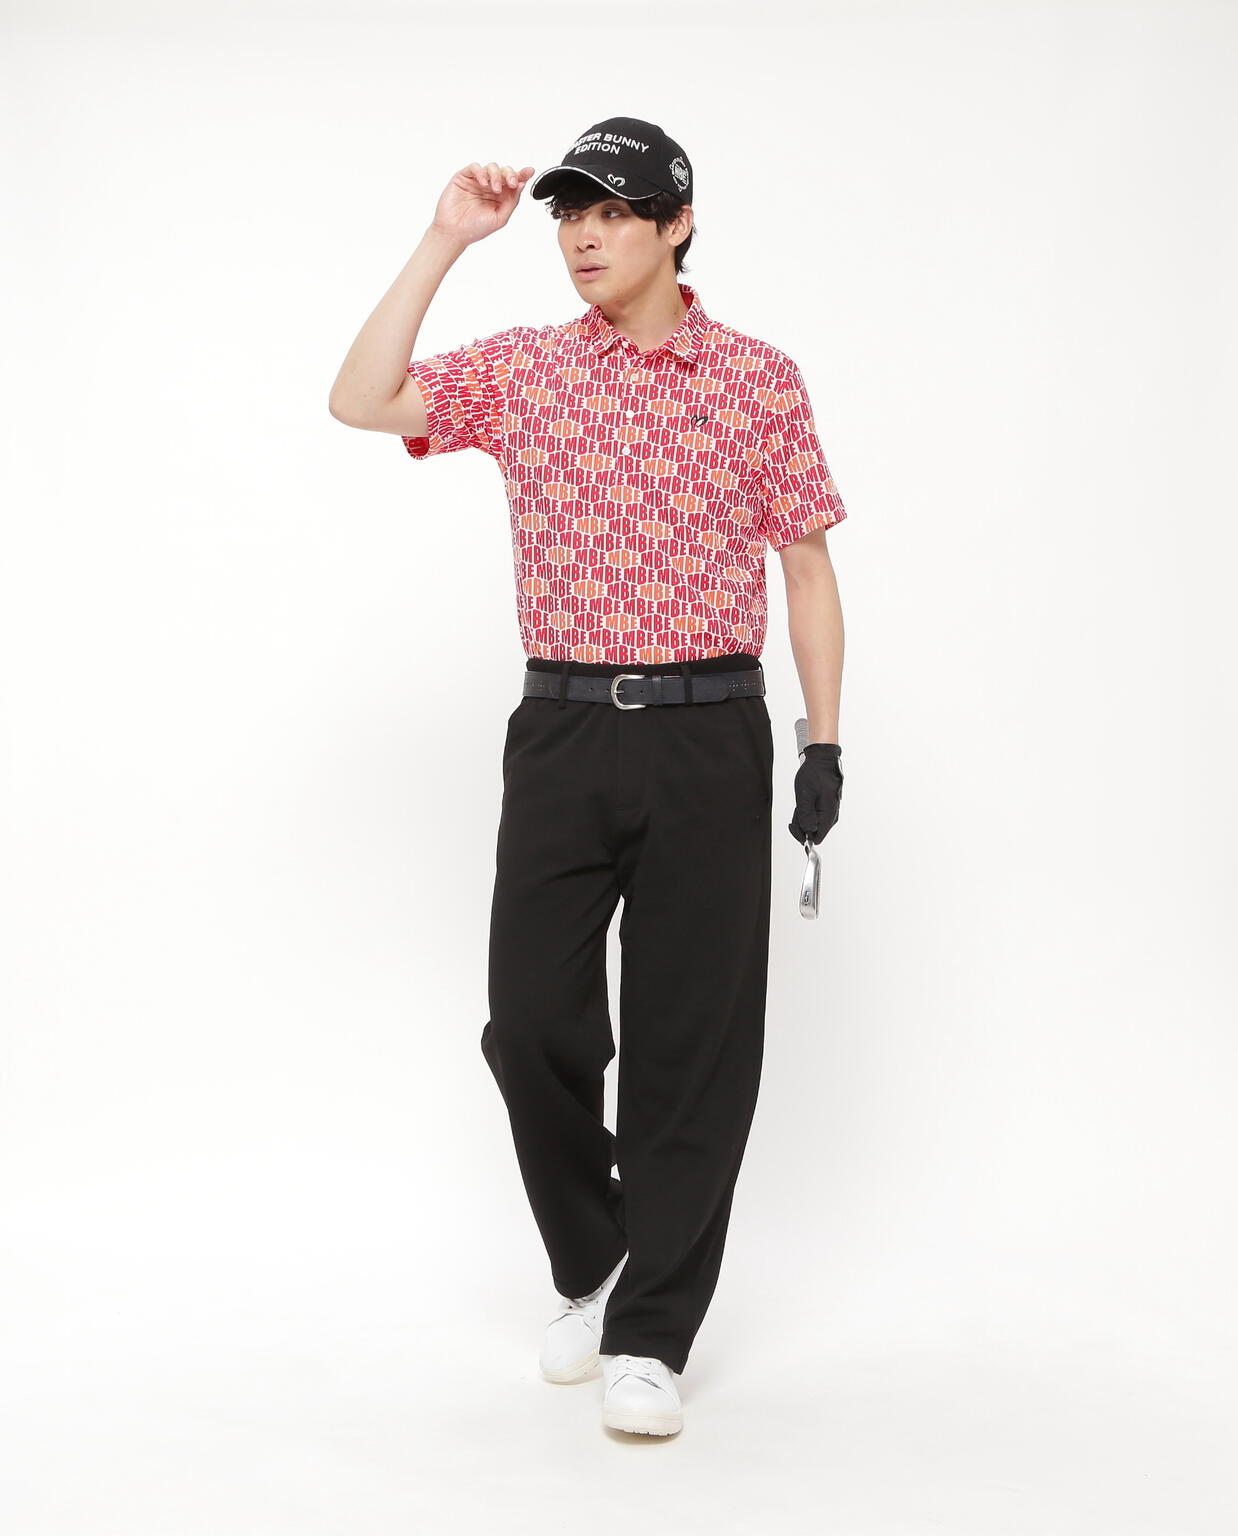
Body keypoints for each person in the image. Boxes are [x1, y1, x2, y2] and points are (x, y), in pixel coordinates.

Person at [329, 117, 846, 1437]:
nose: (581, 236)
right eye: (568, 214)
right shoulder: (527, 372)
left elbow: (806, 567)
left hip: (708, 731)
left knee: (690, 1042)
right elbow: (361, 398)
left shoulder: (759, 379)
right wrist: (446, 239)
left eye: (612, 211)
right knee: (531, 1022)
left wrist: (823, 744)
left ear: (677, 225)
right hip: (561, 729)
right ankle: (599, 1259)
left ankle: (652, 1335)